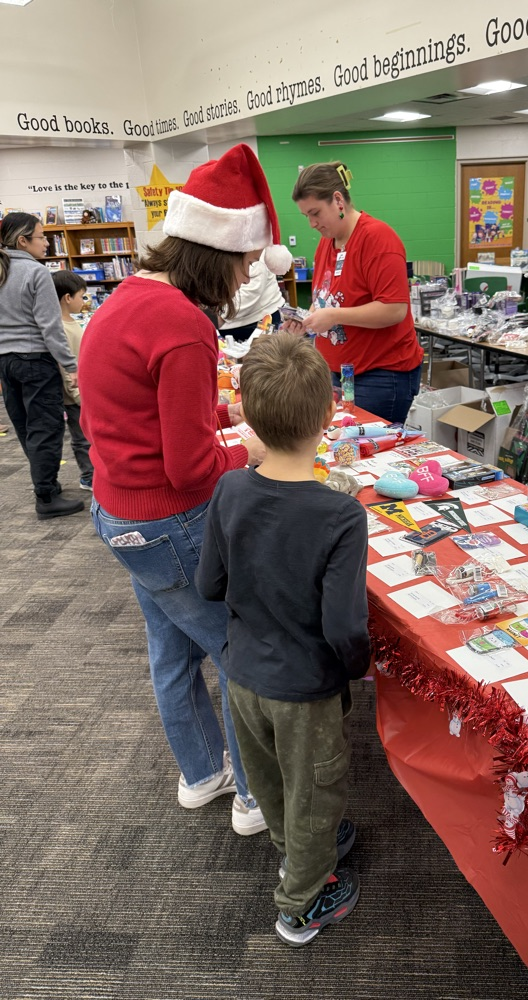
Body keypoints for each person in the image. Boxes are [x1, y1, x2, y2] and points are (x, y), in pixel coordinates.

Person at [78, 144, 292, 835]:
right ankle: (256, 796)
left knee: (171, 652)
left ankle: (203, 772)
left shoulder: (129, 300)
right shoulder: (184, 326)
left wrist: (212, 414)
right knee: (238, 649)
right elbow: (191, 469)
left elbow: (125, 412)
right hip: (171, 523)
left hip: (120, 513)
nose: (239, 285)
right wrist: (250, 445)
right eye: (239, 268)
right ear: (216, 255)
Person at [195, 333, 370, 946]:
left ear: (245, 412)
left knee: (270, 779)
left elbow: (208, 584)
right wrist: (357, 669)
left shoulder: (229, 488)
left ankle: (294, 848)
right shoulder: (341, 515)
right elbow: (344, 626)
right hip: (305, 687)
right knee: (317, 788)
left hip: (242, 674)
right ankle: (301, 903)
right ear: (329, 417)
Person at [290, 161, 423, 424]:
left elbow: (394, 309)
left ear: (338, 200)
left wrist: (334, 316)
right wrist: (305, 319)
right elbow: (324, 299)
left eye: (315, 213)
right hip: (338, 371)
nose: (312, 224)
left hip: (380, 374)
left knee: (367, 451)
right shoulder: (327, 244)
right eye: (306, 216)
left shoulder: (377, 239)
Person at [0, 213, 84, 519]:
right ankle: (46, 497)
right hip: (35, 360)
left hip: (6, 362)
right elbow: (51, 328)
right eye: (41, 236)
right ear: (23, 241)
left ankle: (45, 482)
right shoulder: (36, 273)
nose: (46, 242)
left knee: (24, 426)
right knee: (46, 428)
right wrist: (70, 365)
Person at [51, 270, 94, 491]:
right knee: (81, 438)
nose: (84, 301)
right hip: (74, 397)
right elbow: (66, 367)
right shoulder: (60, 328)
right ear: (68, 298)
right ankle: (88, 476)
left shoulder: (72, 322)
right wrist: (77, 396)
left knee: (89, 435)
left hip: (83, 393)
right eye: (82, 296)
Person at [218, 250, 286, 341]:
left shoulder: (252, 248)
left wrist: (220, 315)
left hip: (257, 323)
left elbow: (250, 291)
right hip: (233, 325)